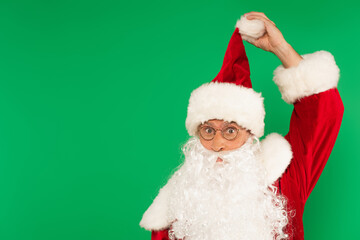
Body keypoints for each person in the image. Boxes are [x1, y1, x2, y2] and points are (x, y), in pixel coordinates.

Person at [139, 12, 344, 240]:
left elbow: (324, 111)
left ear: (249, 133)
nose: (218, 145)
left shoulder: (285, 177)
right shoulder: (175, 203)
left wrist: (281, 48)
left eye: (230, 131)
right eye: (208, 131)